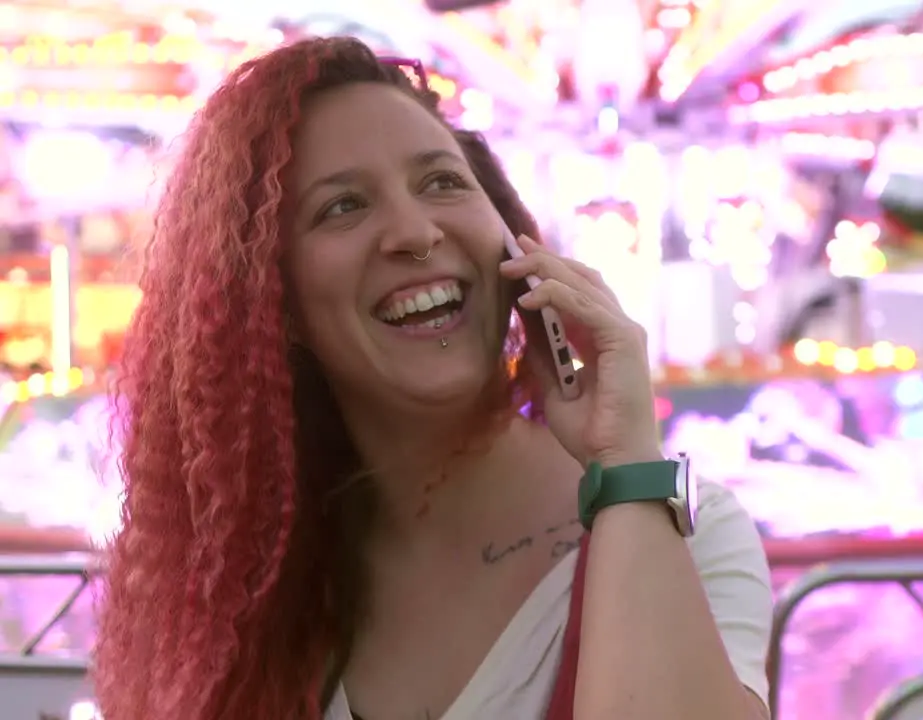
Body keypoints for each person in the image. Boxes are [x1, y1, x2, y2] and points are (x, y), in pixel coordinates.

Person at [92, 36, 774, 720]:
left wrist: (625, 468)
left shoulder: (689, 533)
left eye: (442, 182)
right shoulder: (246, 580)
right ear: (274, 300)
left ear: (511, 242)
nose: (414, 233)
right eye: (343, 206)